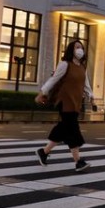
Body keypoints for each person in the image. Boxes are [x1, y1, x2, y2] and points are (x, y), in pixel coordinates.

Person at [34, 39, 94, 172]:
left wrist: (91, 96)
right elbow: (53, 79)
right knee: (73, 129)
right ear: (71, 50)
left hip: (75, 102)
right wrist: (42, 92)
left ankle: (44, 152)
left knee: (64, 128)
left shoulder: (82, 67)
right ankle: (78, 162)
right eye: (77, 47)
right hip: (64, 101)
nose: (80, 50)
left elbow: (86, 84)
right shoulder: (64, 64)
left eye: (82, 48)